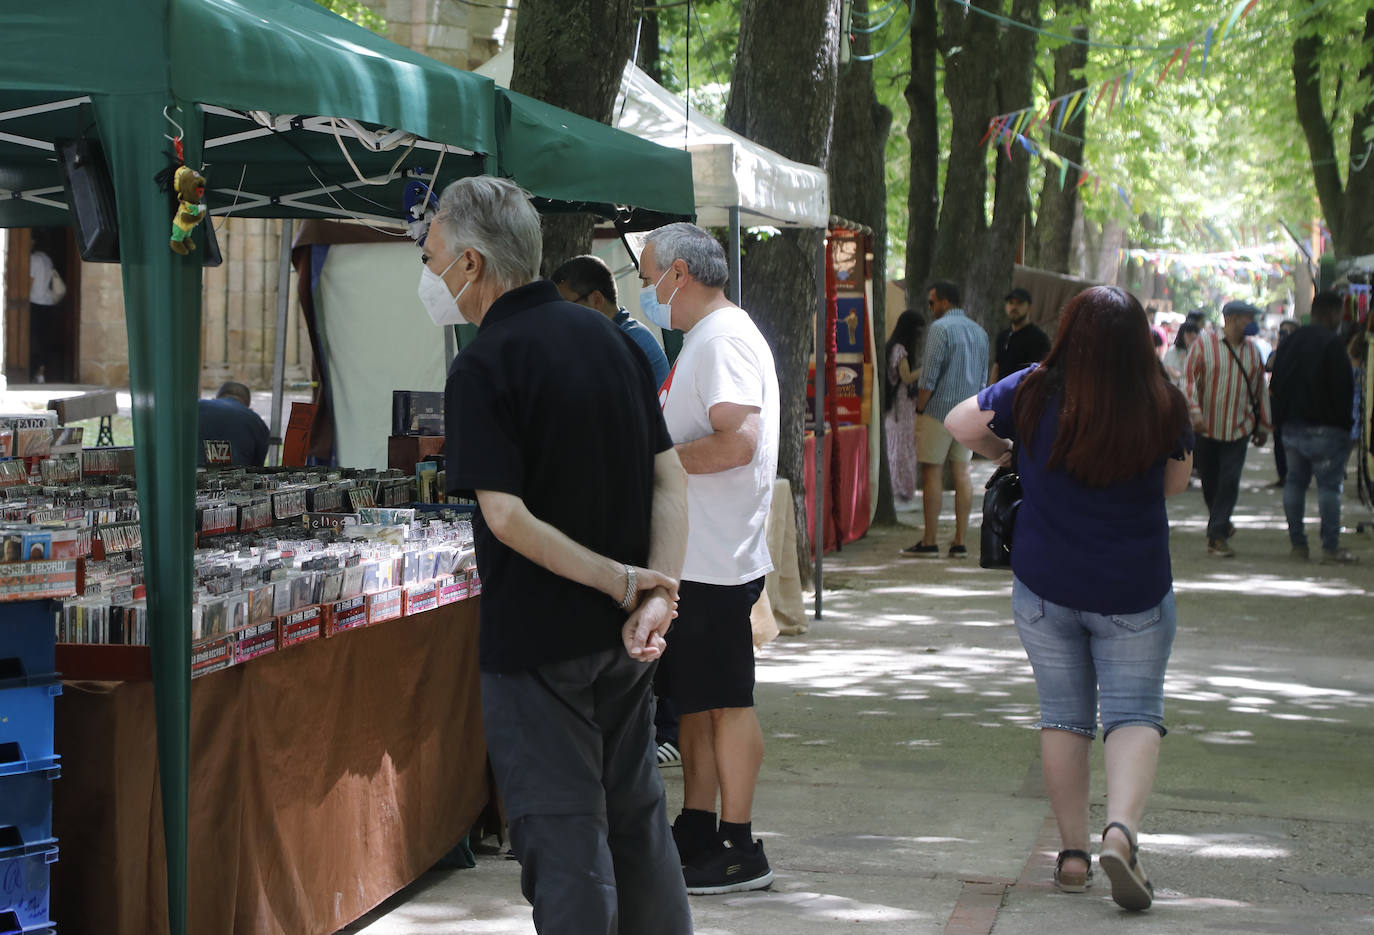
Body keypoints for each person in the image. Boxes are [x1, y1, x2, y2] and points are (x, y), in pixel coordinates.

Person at [432, 176, 693, 934]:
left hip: (539, 644)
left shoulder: (482, 366)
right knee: (637, 826)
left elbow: (505, 516)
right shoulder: (610, 341)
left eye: (433, 256)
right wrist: (657, 593)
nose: (430, 273)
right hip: (623, 643)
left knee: (565, 838)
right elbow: (668, 476)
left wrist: (631, 586)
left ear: (472, 264)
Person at [945, 285, 1193, 912]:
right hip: (1133, 587)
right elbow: (1175, 481)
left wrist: (1010, 452)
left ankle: (1075, 856)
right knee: (1134, 712)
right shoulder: (1163, 398)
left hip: (1044, 584)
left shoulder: (1034, 386)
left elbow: (958, 421)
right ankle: (1122, 833)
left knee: (1063, 716)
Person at [638, 221, 780, 895]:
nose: (646, 291)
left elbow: (739, 441)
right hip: (700, 554)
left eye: (647, 277)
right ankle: (697, 823)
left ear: (679, 275)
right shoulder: (710, 337)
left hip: (718, 558)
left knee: (724, 700)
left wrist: (656, 464)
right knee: (694, 701)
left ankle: (739, 842)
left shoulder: (722, 339)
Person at [902, 280, 989, 558]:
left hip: (938, 412)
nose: (930, 308)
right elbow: (984, 378)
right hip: (970, 412)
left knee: (932, 473)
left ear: (945, 302)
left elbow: (929, 376)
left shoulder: (939, 329)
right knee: (962, 473)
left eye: (932, 302)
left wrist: (920, 407)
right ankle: (960, 541)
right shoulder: (980, 332)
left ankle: (929, 540)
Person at [1270, 291, 1358, 564]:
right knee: (1329, 489)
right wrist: (1345, 426)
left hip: (1293, 427)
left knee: (1294, 484)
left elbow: (1276, 384)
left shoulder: (1290, 341)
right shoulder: (1333, 345)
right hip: (1328, 430)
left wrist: (1280, 422)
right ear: (1333, 313)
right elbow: (1344, 389)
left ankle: (1298, 544)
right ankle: (1330, 548)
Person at [1183, 300, 1272, 557]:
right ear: (1231, 319)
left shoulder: (1253, 352)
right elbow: (1189, 381)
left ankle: (1216, 536)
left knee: (1230, 482)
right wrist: (1195, 413)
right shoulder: (1204, 345)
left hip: (1238, 429)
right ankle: (1220, 521)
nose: (1252, 323)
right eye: (1248, 317)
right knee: (1211, 483)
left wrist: (1263, 425)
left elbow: (1259, 391)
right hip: (1206, 428)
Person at [551, 254, 671, 387]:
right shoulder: (610, 337)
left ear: (597, 300)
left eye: (566, 305)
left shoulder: (630, 341)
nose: (560, 315)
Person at [884, 309, 926, 508]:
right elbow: (907, 377)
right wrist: (926, 369)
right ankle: (901, 490)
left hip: (900, 406)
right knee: (901, 448)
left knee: (900, 446)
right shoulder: (900, 349)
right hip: (900, 406)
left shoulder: (894, 347)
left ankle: (901, 490)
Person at [197, 381, 270, 466]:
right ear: (247, 405)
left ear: (216, 398)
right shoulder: (257, 422)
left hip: (189, 473)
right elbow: (257, 468)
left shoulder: (198, 405)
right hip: (232, 476)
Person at [989, 287, 1051, 384]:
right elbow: (997, 367)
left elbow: (1040, 374)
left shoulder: (1038, 338)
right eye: (1011, 303)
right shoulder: (1003, 336)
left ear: (1029, 307)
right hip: (1000, 395)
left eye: (1019, 303)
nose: (1014, 307)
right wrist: (990, 394)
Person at [1267, 319, 1302, 486]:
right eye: (1282, 332)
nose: (1283, 336)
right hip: (1279, 407)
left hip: (1297, 407)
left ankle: (1295, 475)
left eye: (1287, 332)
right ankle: (1283, 475)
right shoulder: (1277, 352)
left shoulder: (1303, 353)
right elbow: (1268, 367)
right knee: (1279, 442)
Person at [1161, 322, 1199, 391]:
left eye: (1195, 332)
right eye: (1189, 333)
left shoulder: (1196, 351)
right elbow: (1171, 371)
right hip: (1174, 389)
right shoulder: (1173, 350)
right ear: (1182, 334)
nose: (1193, 335)